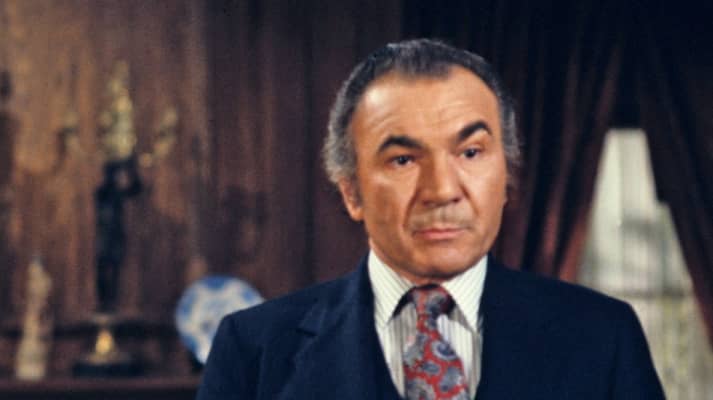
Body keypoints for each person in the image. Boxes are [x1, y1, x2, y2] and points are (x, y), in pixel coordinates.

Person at [196, 39, 665, 400]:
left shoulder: (602, 336)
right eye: (403, 160)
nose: (442, 190)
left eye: (471, 152)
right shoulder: (254, 350)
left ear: (506, 176)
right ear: (352, 192)